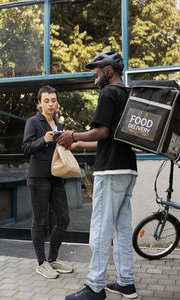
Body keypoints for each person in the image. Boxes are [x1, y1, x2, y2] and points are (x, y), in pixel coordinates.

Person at [57, 51, 138, 299]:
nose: (94, 77)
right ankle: (126, 283)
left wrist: (74, 135)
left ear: (109, 70)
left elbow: (102, 132)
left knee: (101, 229)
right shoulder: (128, 94)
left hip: (110, 170)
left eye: (96, 72)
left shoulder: (109, 93)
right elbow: (112, 138)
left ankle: (95, 286)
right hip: (128, 169)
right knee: (121, 229)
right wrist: (80, 145)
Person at [22, 85, 73, 279]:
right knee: (40, 221)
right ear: (40, 102)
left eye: (53, 100)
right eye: (46, 101)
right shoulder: (33, 122)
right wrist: (43, 140)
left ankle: (53, 259)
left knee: (63, 219)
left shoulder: (58, 124)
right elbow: (26, 148)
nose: (51, 104)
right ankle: (42, 263)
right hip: (38, 178)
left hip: (57, 177)